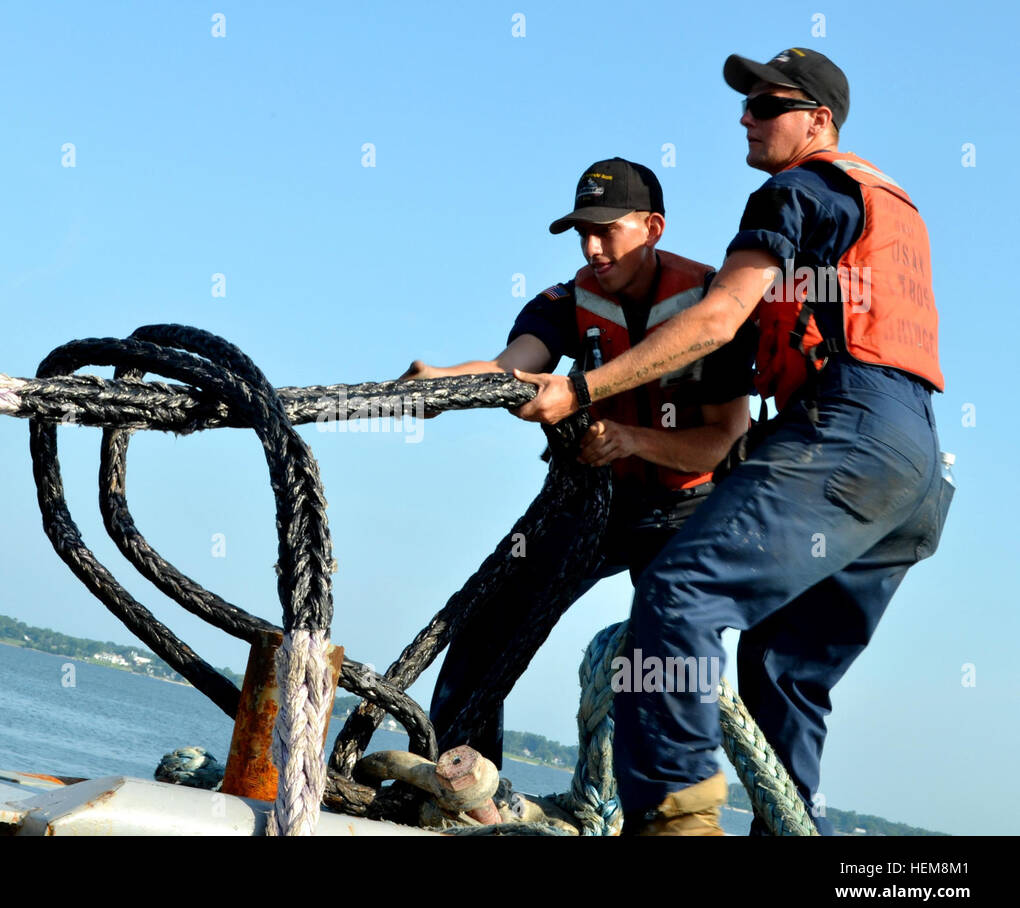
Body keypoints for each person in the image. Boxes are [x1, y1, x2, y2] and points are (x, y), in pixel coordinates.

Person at [513, 49, 951, 835]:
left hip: (844, 430)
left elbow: (719, 318)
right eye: (744, 105)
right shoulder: (888, 204)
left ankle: (677, 819)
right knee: (785, 673)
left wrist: (579, 391)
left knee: (678, 595)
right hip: (914, 472)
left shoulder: (796, 189)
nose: (744, 118)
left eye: (766, 106)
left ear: (818, 121)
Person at [402, 158, 755, 767]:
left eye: (606, 230)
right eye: (581, 233)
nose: (591, 247)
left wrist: (632, 439)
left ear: (653, 227)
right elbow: (511, 366)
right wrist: (442, 383)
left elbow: (723, 437)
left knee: (665, 650)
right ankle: (458, 785)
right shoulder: (568, 300)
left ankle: (658, 813)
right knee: (489, 616)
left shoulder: (708, 307)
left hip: (689, 506)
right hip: (595, 497)